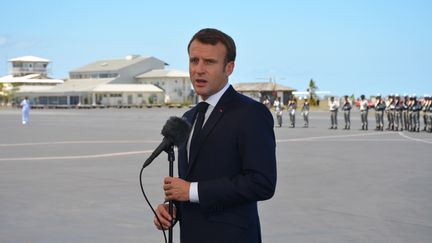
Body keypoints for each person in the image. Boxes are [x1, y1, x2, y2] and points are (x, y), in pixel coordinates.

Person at [153, 28, 277, 243]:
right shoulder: (188, 117)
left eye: (209, 62)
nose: (199, 70)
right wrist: (173, 209)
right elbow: (190, 182)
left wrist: (190, 191)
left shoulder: (251, 114)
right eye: (194, 61)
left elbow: (262, 183)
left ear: (228, 68)